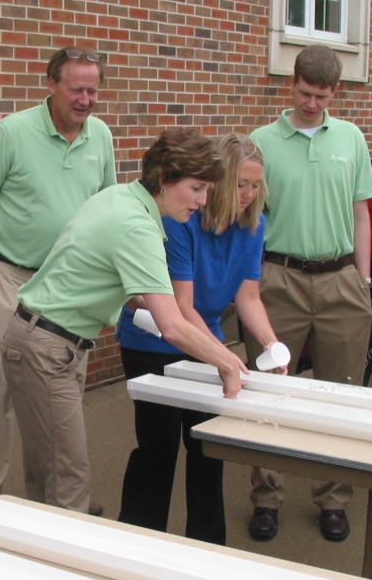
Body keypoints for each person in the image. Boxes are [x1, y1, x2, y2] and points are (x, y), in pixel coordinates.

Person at [2, 128, 249, 515]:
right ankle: (69, 569)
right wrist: (227, 361)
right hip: (47, 348)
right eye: (197, 188)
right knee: (68, 482)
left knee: (47, 474)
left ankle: (40, 555)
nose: (203, 201)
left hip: (39, 339)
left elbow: (134, 296)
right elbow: (173, 325)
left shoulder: (119, 197)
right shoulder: (139, 226)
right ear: (165, 179)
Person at [0, 46, 115, 513]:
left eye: (93, 89)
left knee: (57, 401)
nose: (85, 99)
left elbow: (108, 210)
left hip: (69, 287)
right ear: (50, 84)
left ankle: (53, 502)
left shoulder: (101, 136)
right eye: (76, 89)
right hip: (11, 279)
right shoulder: (12, 133)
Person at [115, 134, 285, 545]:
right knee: (158, 449)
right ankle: (138, 543)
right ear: (221, 182)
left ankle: (207, 546)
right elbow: (182, 309)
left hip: (204, 340)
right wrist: (224, 359)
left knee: (208, 448)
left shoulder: (253, 226)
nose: (248, 194)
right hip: (154, 339)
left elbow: (247, 296)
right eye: (241, 183)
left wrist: (269, 344)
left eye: (256, 185)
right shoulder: (181, 222)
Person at [241, 44, 372, 544]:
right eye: (304, 92)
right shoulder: (261, 142)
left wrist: (363, 278)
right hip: (278, 278)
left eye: (322, 96)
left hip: (342, 278)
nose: (312, 104)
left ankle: (334, 500)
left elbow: (362, 213)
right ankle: (266, 498)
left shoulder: (351, 138)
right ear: (290, 83)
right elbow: (246, 215)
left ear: (335, 91)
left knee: (341, 395)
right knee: (270, 390)